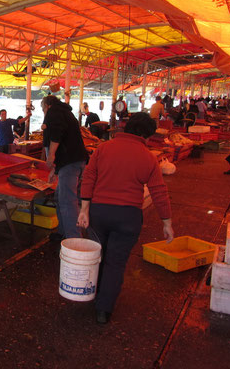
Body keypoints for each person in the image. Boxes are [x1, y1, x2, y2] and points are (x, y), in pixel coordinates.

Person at [78, 112, 174, 324]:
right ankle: (103, 310)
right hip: (128, 216)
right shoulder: (148, 156)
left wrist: (84, 209)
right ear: (147, 136)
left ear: (126, 127)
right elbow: (159, 191)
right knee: (116, 263)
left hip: (99, 212)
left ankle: (91, 294)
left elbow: (88, 177)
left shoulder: (103, 148)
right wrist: (166, 223)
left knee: (97, 256)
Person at [42, 95, 88, 240]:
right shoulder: (65, 112)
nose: (43, 111)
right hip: (74, 161)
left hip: (70, 163)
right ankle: (63, 232)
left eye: (42, 108)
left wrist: (51, 156)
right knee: (60, 197)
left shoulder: (54, 111)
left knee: (68, 201)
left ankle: (73, 238)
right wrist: (54, 170)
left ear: (47, 105)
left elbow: (56, 134)